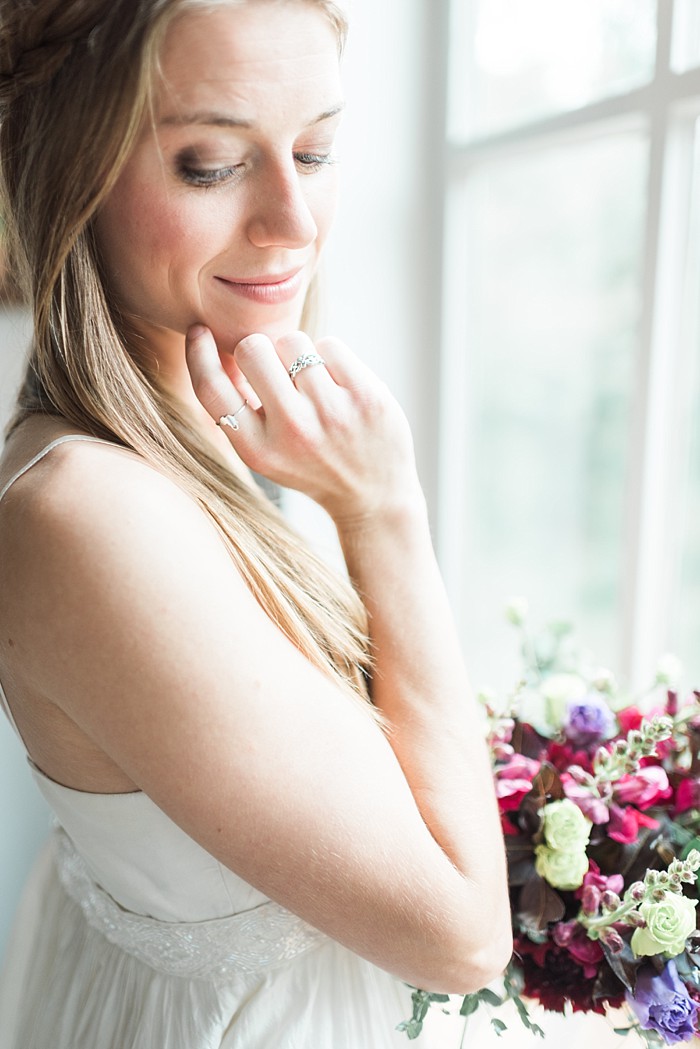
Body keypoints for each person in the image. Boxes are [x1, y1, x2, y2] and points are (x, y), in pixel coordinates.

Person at [0, 1, 512, 1046]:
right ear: (72, 175)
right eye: (209, 163)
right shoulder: (85, 512)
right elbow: (461, 938)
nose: (295, 221)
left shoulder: (224, 435)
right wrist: (384, 513)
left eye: (316, 149)